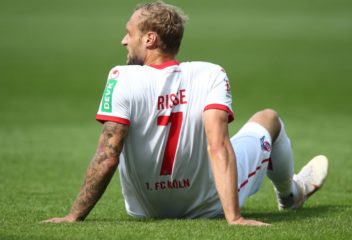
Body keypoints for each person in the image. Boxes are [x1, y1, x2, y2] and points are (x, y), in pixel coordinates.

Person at [43, 1, 328, 226]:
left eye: (129, 34)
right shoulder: (210, 73)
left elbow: (108, 154)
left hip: (143, 209)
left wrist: (73, 217)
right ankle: (291, 194)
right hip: (207, 206)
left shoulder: (120, 77)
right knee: (269, 118)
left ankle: (291, 193)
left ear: (150, 39)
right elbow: (218, 145)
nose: (123, 41)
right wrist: (234, 218)